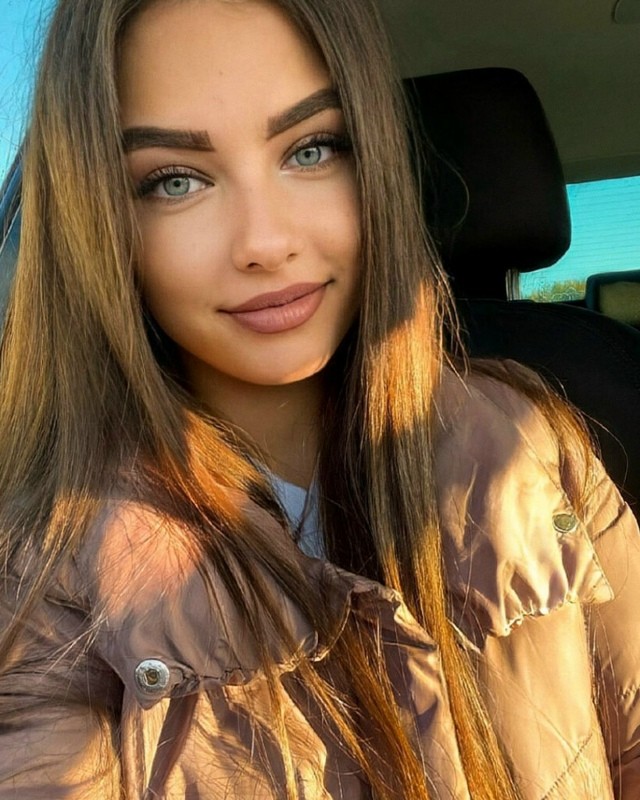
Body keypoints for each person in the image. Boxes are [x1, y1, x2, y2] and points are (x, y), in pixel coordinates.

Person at [0, 0, 638, 797]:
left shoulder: (536, 449)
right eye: (174, 180)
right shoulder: (41, 572)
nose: (266, 242)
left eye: (312, 149)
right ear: (101, 224)